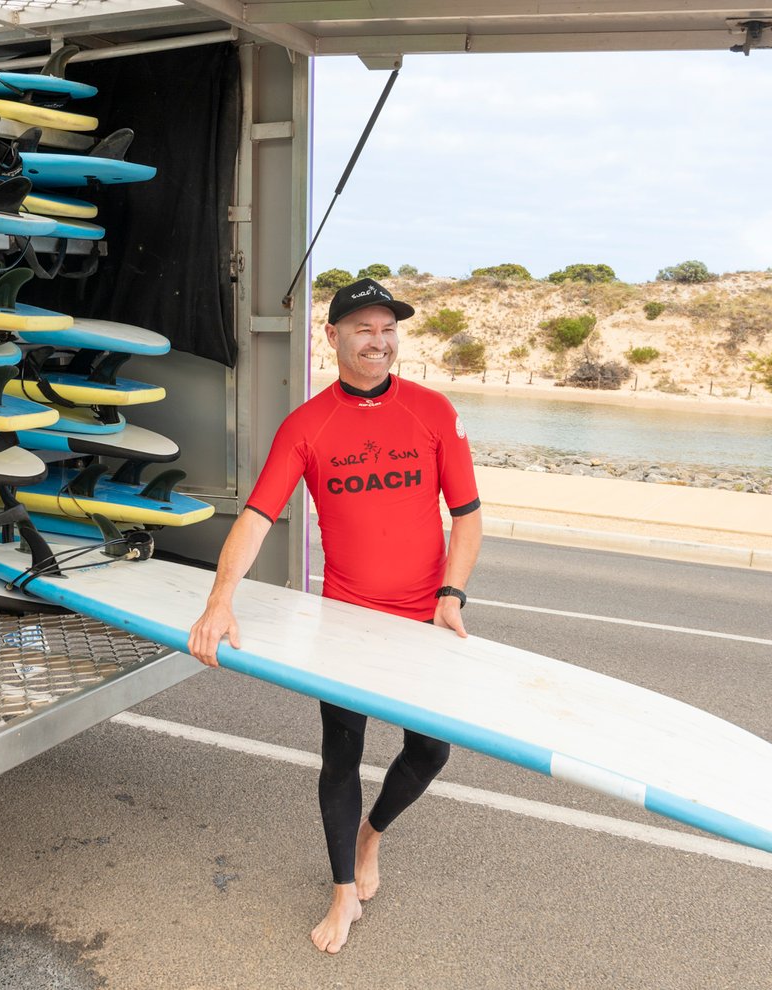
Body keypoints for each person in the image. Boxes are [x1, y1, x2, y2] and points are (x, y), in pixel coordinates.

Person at [188, 277, 483, 954]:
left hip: (422, 620)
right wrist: (219, 601)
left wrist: (451, 595)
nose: (378, 342)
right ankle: (342, 891)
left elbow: (466, 519)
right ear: (333, 338)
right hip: (346, 618)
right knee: (340, 754)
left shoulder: (434, 413)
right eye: (362, 330)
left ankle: (371, 834)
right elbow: (258, 518)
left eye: (388, 330)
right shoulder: (308, 425)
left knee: (430, 749)